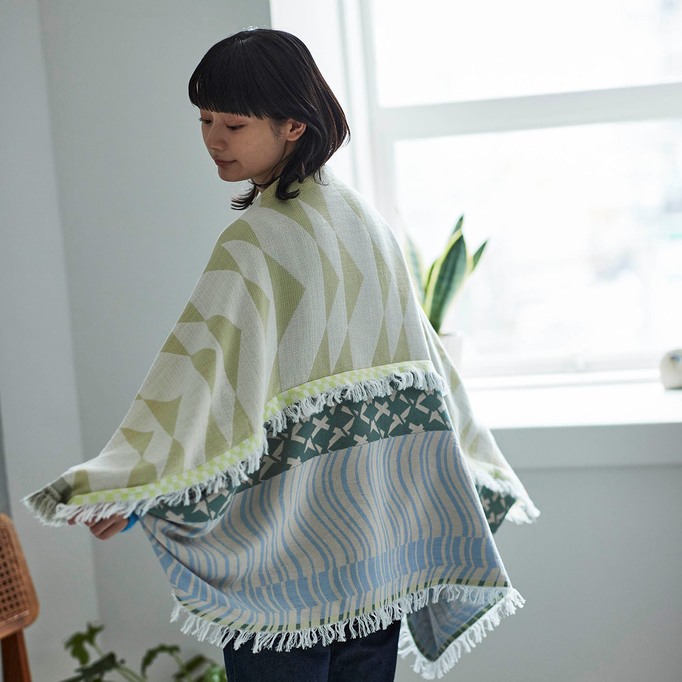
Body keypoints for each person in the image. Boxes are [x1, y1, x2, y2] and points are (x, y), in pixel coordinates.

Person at [26, 28, 538, 681]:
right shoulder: (367, 224)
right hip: (375, 560)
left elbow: (202, 384)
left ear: (294, 125)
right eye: (205, 120)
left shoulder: (256, 240)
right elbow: (426, 371)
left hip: (288, 572)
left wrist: (132, 491)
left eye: (234, 124)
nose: (213, 139)